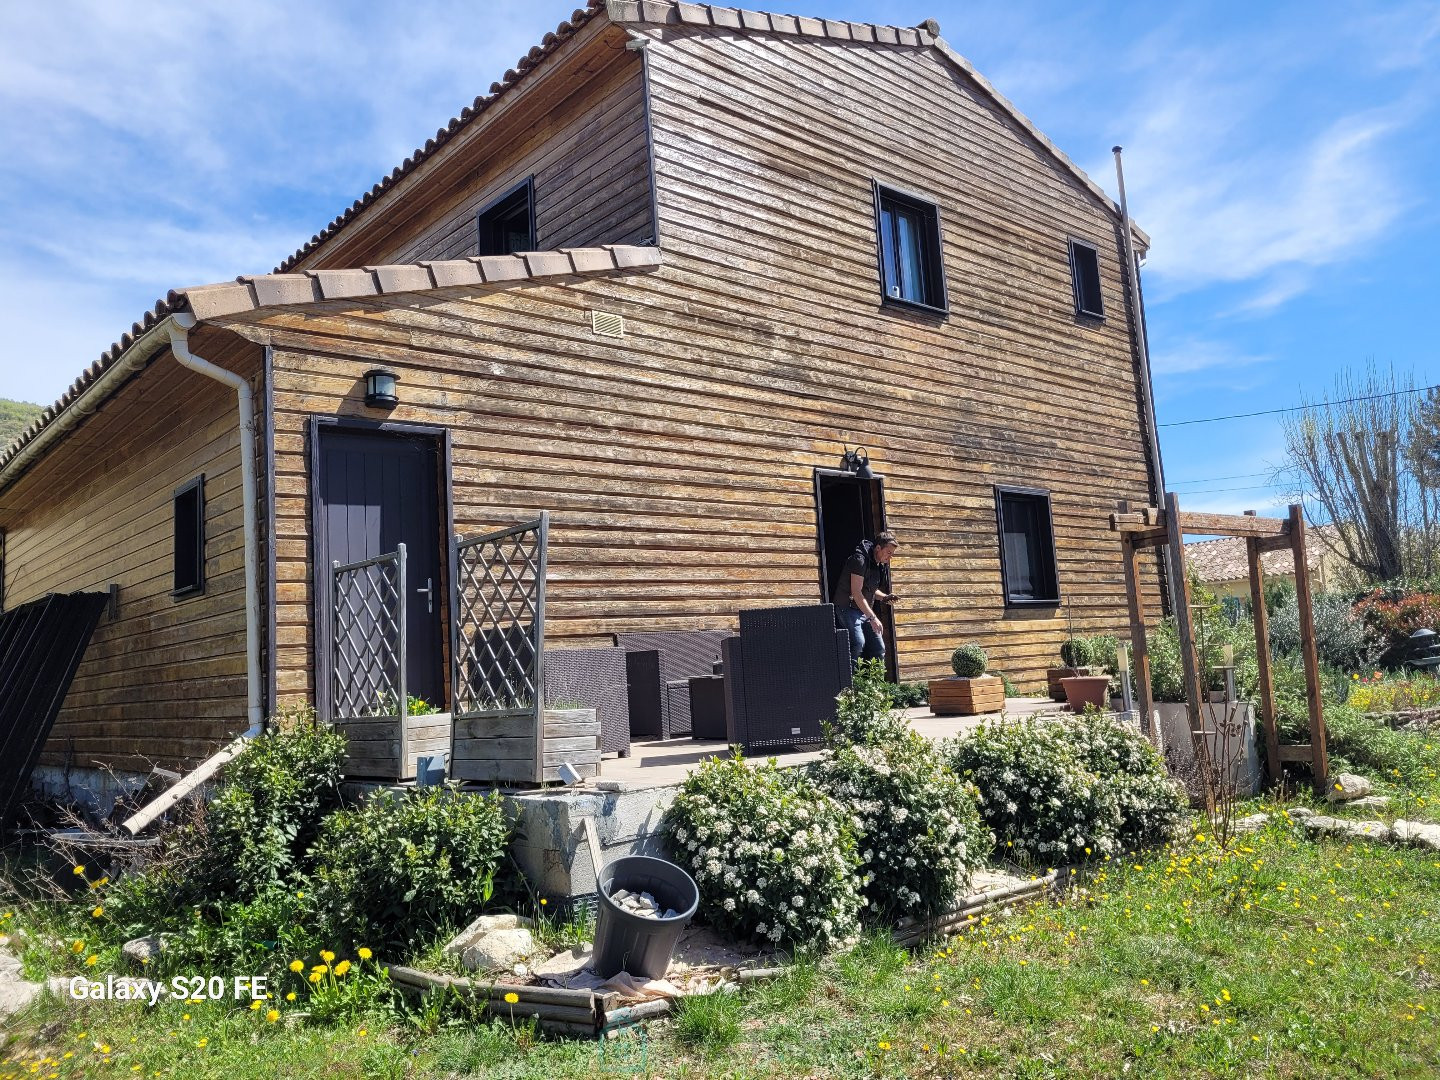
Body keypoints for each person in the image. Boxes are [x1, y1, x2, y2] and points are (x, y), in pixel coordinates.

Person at [832, 531, 898, 669]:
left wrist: (885, 597)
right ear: (878, 548)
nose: (890, 557)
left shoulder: (877, 563)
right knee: (858, 643)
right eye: (888, 552)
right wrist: (873, 618)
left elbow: (870, 589)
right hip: (847, 608)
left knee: (879, 647)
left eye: (892, 554)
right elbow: (856, 593)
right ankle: (851, 686)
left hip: (861, 609)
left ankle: (875, 686)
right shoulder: (860, 560)